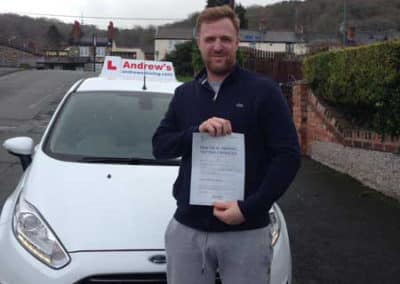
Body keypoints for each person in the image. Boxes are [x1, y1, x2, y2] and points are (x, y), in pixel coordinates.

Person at [152, 5, 300, 284]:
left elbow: (288, 156)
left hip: (246, 231)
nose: (218, 46)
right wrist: (196, 132)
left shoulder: (264, 91)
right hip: (188, 229)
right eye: (210, 39)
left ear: (237, 42)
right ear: (198, 43)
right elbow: (160, 146)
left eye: (225, 39)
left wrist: (249, 209)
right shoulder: (184, 94)